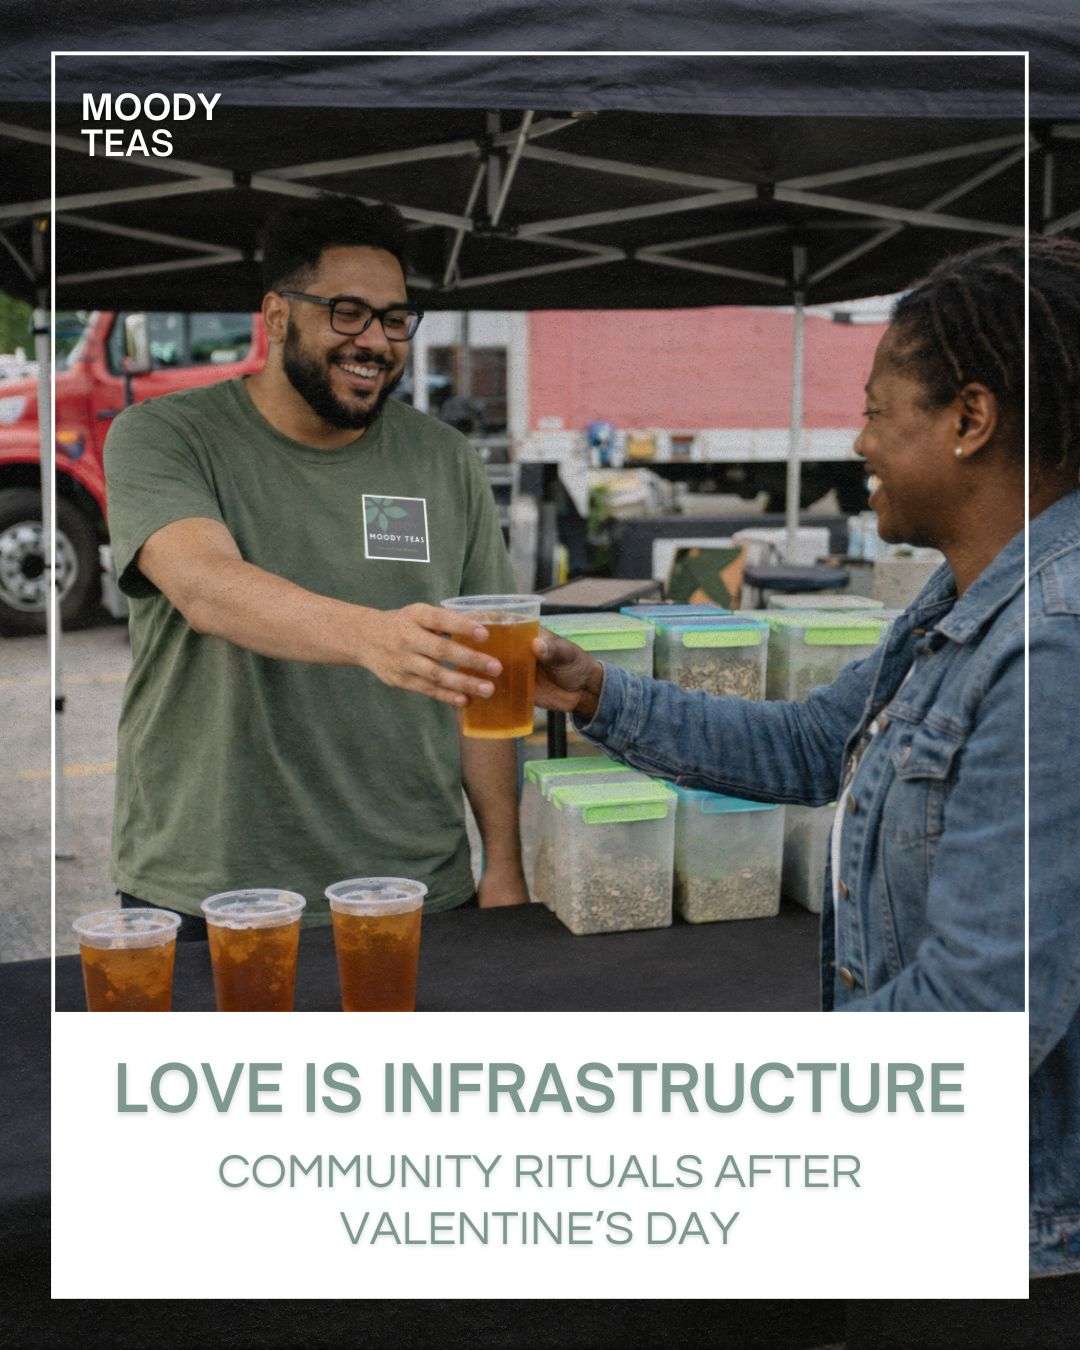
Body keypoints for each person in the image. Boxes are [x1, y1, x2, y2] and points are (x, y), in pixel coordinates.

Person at [527, 236, 1080, 1274]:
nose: (858, 441)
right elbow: (815, 742)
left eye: (875, 410)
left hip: (1017, 1244)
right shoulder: (968, 596)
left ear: (969, 420)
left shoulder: (1054, 642)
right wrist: (596, 689)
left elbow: (982, 1015)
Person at [104, 197, 529, 939]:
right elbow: (205, 586)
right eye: (347, 313)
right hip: (212, 885)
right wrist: (372, 637)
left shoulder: (443, 459)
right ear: (276, 317)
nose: (375, 342)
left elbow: (487, 678)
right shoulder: (165, 435)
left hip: (412, 883)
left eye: (394, 319)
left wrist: (505, 863)